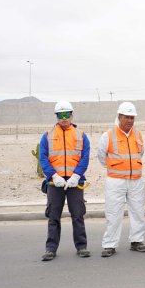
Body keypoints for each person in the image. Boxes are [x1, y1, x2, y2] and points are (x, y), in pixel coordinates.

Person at [39, 100, 91, 261]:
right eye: (61, 115)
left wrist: (76, 176)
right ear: (56, 116)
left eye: (67, 114)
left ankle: (81, 247)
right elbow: (43, 158)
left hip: (75, 181)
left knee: (78, 214)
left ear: (71, 115)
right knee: (53, 216)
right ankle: (50, 249)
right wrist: (53, 176)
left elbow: (85, 157)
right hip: (55, 183)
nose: (64, 118)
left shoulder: (81, 135)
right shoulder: (47, 136)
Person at [97, 102, 145, 257]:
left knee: (138, 211)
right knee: (113, 213)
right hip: (116, 180)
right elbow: (101, 156)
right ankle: (109, 245)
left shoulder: (138, 135)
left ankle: (137, 241)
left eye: (132, 117)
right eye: (127, 117)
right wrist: (116, 168)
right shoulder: (108, 135)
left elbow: (140, 154)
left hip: (136, 180)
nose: (130, 120)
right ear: (119, 117)